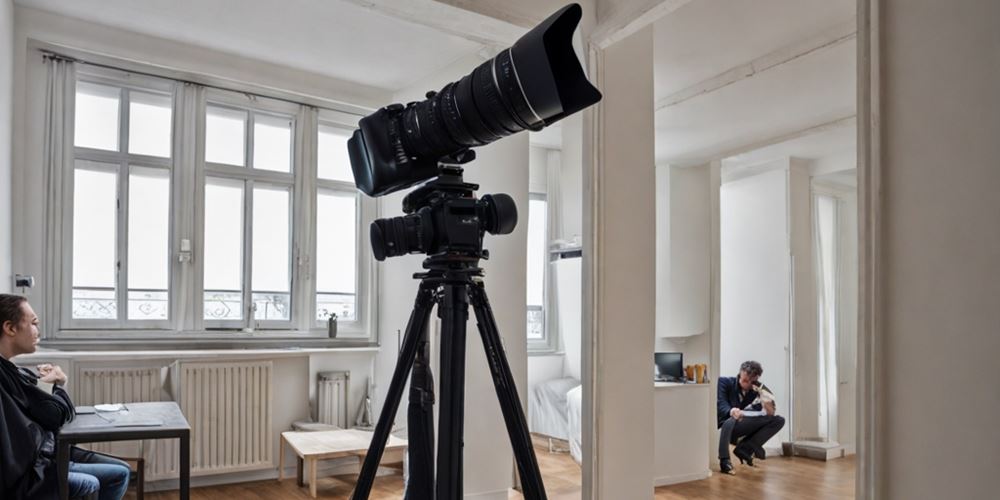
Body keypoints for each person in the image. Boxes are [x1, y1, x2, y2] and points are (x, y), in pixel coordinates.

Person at [0, 294, 131, 500]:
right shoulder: (6, 375)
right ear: (10, 328)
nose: (38, 330)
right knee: (101, 480)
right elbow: (55, 415)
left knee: (122, 470)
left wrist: (52, 384)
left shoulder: (13, 371)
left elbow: (58, 412)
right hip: (31, 469)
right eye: (33, 323)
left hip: (45, 450)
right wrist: (54, 384)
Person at [716, 360, 786, 475]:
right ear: (740, 374)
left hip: (739, 424)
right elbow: (721, 403)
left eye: (752, 381)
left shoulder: (755, 389)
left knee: (778, 420)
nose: (748, 384)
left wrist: (764, 396)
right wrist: (731, 410)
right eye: (745, 380)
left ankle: (745, 448)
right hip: (725, 422)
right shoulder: (724, 382)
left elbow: (767, 412)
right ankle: (724, 460)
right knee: (731, 420)